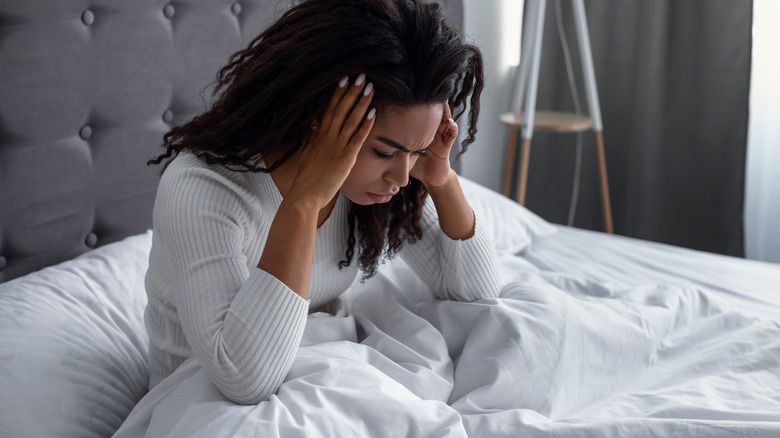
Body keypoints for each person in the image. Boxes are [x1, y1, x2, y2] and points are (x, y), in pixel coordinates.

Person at [143, 0, 501, 405]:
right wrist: (304, 203)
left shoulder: (381, 183)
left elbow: (478, 294)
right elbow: (244, 379)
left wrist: (441, 177)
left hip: (316, 371)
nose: (401, 178)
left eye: (416, 152)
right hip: (199, 403)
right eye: (385, 152)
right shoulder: (204, 189)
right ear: (322, 116)